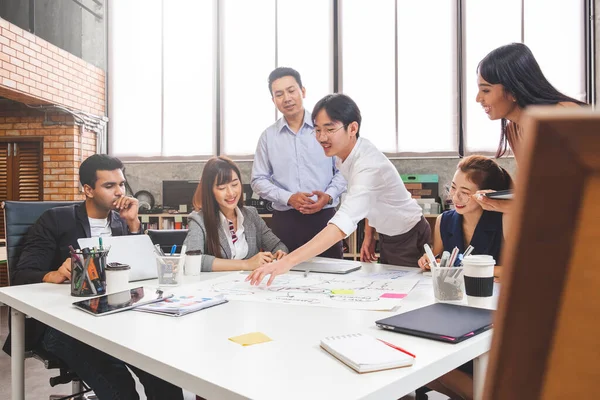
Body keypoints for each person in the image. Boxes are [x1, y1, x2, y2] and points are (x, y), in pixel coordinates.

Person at [4, 154, 183, 400]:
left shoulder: (120, 223)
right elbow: (21, 275)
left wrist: (133, 225)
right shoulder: (56, 219)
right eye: (109, 186)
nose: (120, 192)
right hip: (62, 323)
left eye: (121, 184)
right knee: (120, 388)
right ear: (88, 190)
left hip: (114, 316)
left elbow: (142, 272)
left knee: (164, 377)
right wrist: (53, 273)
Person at [248, 93, 429, 286]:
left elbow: (343, 223)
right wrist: (369, 235)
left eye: (330, 129)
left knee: (406, 293)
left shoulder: (368, 165)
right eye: (317, 130)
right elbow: (371, 198)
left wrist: (287, 262)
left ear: (352, 128)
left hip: (408, 236)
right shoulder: (343, 153)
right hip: (387, 234)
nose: (322, 137)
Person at [417, 155, 512, 400]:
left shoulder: (504, 219)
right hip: (454, 307)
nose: (455, 197)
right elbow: (440, 259)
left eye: (466, 192)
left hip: (491, 309)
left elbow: (516, 269)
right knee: (425, 362)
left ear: (485, 194)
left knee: (437, 367)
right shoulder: (444, 220)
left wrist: (472, 270)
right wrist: (431, 262)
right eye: (453, 188)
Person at [474, 42, 584, 214]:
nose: (478, 98)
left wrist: (511, 205)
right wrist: (500, 200)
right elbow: (540, 191)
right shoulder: (514, 130)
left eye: (486, 91)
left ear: (513, 90)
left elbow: (578, 191)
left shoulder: (563, 115)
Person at [251, 67, 347, 259]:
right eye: (279, 94)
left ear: (302, 91)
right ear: (273, 100)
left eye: (291, 90)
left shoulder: (327, 130)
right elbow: (258, 179)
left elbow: (344, 170)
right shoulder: (268, 137)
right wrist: (288, 197)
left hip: (325, 220)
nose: (286, 98)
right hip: (285, 222)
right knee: (284, 280)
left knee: (332, 280)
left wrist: (327, 196)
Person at [184, 156, 288, 271]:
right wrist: (246, 264)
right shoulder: (198, 220)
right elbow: (192, 260)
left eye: (234, 185)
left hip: (249, 285)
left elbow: (277, 246)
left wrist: (280, 254)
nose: (231, 193)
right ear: (210, 191)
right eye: (222, 188)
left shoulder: (251, 214)